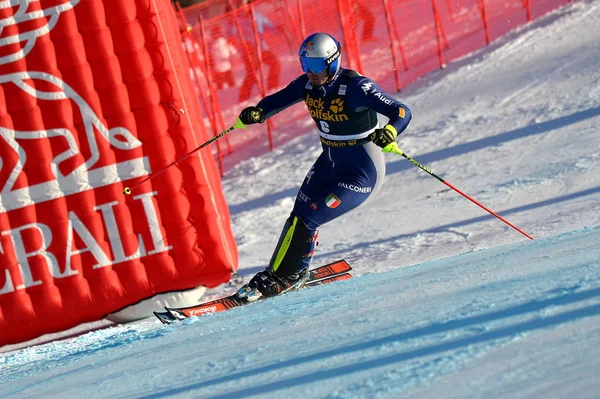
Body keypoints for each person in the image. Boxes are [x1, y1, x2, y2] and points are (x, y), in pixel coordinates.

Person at [237, 32, 412, 299]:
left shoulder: (357, 86)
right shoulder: (307, 85)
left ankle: (294, 274)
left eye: (316, 66)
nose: (311, 73)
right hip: (329, 163)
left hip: (361, 173)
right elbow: (278, 100)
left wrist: (390, 131)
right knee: (298, 215)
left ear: (332, 62)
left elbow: (401, 111)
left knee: (311, 216)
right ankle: (275, 273)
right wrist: (259, 111)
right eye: (305, 65)